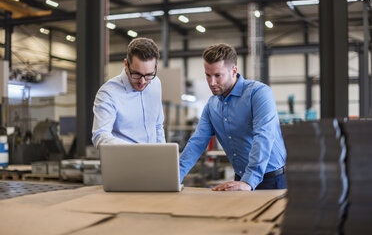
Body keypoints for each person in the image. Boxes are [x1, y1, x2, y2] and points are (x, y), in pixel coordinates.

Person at [179, 43, 287, 191]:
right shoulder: (212, 105)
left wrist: (250, 181)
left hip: (271, 180)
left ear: (233, 71)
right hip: (241, 180)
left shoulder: (259, 93)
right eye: (208, 75)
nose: (212, 82)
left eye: (218, 75)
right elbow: (197, 142)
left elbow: (263, 136)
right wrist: (175, 176)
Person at [92, 37, 165, 148]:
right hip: (124, 163)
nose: (142, 81)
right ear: (126, 64)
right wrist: (136, 151)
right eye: (136, 74)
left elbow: (158, 126)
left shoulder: (156, 84)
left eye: (149, 74)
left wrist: (163, 156)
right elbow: (100, 136)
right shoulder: (108, 93)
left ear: (155, 67)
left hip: (153, 162)